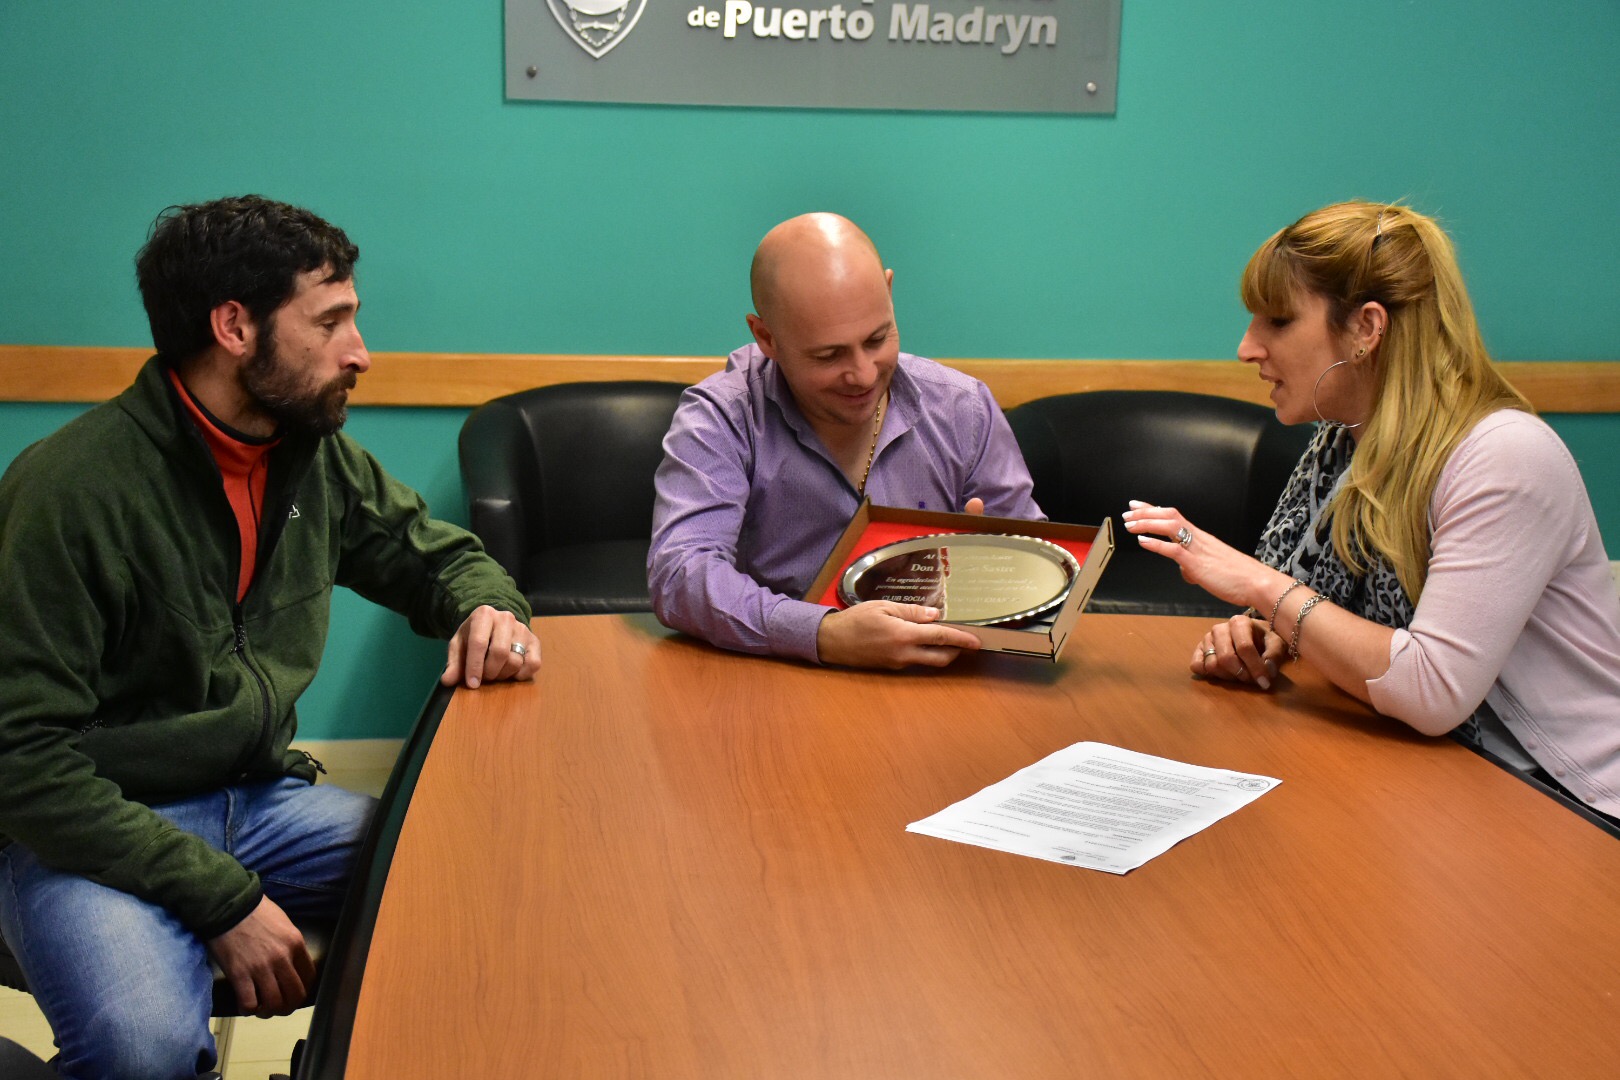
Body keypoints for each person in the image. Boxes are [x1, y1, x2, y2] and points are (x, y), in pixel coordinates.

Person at [0, 195, 540, 1079]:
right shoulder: (69, 492)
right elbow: (19, 758)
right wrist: (222, 902)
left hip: (258, 803)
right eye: (330, 323)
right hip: (92, 830)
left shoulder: (308, 456)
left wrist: (493, 609)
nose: (360, 353)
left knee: (487, 880)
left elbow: (432, 557)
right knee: (144, 1054)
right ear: (234, 326)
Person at [1122, 200, 1620, 820]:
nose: (1247, 347)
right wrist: (1272, 638)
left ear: (1366, 329)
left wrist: (1261, 586)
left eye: (1277, 321)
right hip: (1440, 770)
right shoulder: (1343, 442)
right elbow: (1325, 619)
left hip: (1570, 797)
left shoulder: (1505, 457)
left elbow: (1433, 688)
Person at [649, 212, 1042, 669]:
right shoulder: (721, 415)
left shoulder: (963, 408)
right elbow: (680, 574)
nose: (863, 374)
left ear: (889, 292)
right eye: (829, 355)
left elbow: (1039, 574)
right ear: (766, 337)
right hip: (775, 680)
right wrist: (823, 632)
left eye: (877, 339)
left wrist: (995, 569)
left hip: (939, 682)